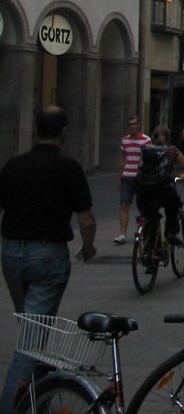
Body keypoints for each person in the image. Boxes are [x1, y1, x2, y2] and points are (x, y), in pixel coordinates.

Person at [0, 107, 97, 411]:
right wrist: (89, 247)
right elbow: (87, 221)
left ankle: (38, 399)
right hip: (48, 256)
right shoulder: (68, 168)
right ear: (63, 133)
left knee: (34, 328)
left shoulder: (14, 165)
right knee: (31, 340)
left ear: (34, 131)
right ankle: (10, 406)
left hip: (12, 253)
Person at [135, 125, 184, 242]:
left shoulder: (146, 149)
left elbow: (139, 168)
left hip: (144, 190)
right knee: (174, 206)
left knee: (150, 215)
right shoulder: (172, 150)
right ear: (168, 137)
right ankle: (170, 233)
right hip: (162, 189)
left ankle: (149, 247)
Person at [115, 114, 151, 245]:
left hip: (140, 178)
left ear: (139, 125)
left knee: (142, 206)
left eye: (134, 124)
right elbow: (122, 158)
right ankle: (122, 234)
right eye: (130, 124)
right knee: (124, 204)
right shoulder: (125, 140)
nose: (132, 127)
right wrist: (120, 176)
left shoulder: (146, 140)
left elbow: (148, 158)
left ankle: (142, 231)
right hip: (127, 176)